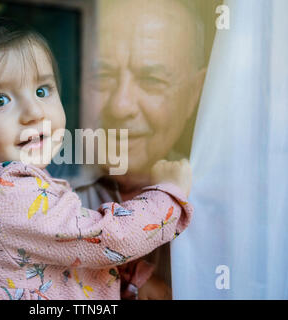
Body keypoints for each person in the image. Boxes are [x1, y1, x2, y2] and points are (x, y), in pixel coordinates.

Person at [0, 15, 192, 300]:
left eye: (42, 91)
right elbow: (112, 238)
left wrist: (123, 282)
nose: (34, 113)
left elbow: (51, 264)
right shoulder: (8, 195)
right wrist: (168, 196)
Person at [73, 0, 207, 299]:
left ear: (194, 93)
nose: (121, 106)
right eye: (101, 77)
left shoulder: (224, 205)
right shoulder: (37, 196)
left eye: (152, 80)